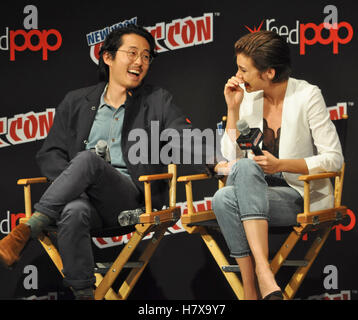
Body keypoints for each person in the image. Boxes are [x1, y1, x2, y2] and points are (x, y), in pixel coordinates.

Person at [0, 24, 212, 300]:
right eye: (133, 53)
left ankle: (26, 230)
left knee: (88, 160)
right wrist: (75, 180)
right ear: (108, 57)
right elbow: (50, 153)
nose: (140, 62)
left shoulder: (157, 100)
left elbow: (181, 135)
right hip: (84, 199)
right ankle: (86, 293)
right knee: (74, 211)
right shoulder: (76, 101)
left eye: (147, 56)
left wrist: (213, 160)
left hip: (129, 199)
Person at [212, 31, 343, 300]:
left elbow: (334, 159)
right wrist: (233, 110)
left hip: (300, 195)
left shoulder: (307, 95)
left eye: (243, 69)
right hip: (252, 190)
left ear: (269, 72)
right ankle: (259, 278)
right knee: (230, 189)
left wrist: (281, 165)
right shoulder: (247, 97)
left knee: (225, 197)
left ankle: (253, 284)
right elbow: (229, 155)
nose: (237, 76)